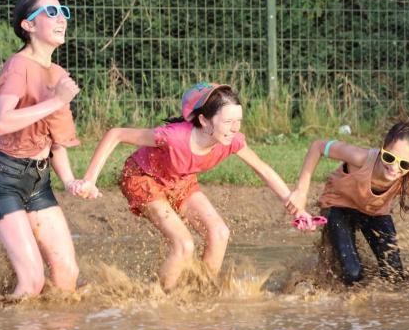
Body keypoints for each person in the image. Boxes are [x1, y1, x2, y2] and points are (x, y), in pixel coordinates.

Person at [76, 83, 298, 291]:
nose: (235, 128)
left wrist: (292, 200)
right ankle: (163, 301)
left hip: (180, 180)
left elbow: (262, 168)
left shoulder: (233, 141)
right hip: (143, 178)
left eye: (238, 121)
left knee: (220, 233)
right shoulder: (173, 137)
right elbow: (116, 134)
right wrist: (89, 180)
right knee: (184, 244)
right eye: (228, 122)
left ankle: (198, 293)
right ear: (204, 120)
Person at [0, 0, 91, 299]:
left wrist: (70, 181)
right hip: (3, 179)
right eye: (51, 12)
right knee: (32, 282)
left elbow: (57, 141)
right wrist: (56, 100)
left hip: (39, 182)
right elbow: (1, 121)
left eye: (63, 11)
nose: (61, 18)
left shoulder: (58, 74)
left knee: (68, 274)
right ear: (28, 25)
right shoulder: (18, 66)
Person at [285, 118, 409, 286]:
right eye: (389, 157)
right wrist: (301, 191)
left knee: (394, 276)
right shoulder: (361, 157)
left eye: (404, 164)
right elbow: (318, 146)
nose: (394, 168)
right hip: (339, 206)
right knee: (352, 274)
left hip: (374, 213)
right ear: (383, 148)